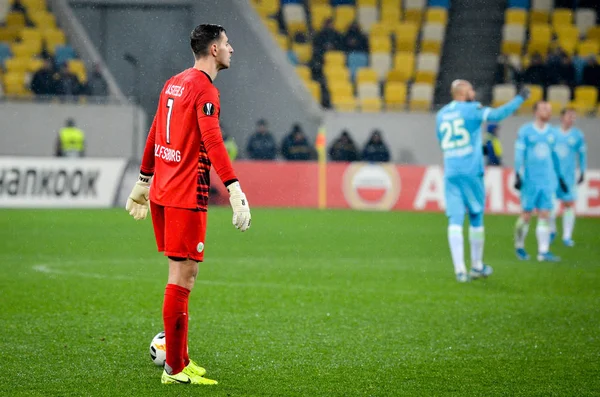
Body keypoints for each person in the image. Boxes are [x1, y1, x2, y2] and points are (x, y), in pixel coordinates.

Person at [125, 24, 251, 386]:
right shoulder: (205, 89)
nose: (231, 49)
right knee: (183, 276)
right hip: (185, 194)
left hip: (165, 192)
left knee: (181, 274)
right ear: (213, 49)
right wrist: (235, 190)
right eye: (227, 43)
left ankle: (178, 358)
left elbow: (154, 131)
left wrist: (144, 180)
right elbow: (213, 140)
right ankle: (175, 370)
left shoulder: (174, 81)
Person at [435, 79, 528, 283]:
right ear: (461, 93)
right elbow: (497, 115)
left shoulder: (441, 115)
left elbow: (441, 141)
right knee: (476, 216)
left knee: (455, 220)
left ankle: (460, 270)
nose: (474, 92)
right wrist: (519, 99)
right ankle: (476, 266)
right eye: (470, 89)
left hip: (451, 171)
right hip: (471, 172)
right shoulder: (471, 110)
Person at [513, 101, 568, 262]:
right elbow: (519, 155)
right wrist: (517, 174)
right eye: (544, 109)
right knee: (526, 215)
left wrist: (560, 177)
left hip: (547, 180)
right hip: (530, 180)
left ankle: (543, 252)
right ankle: (519, 246)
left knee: (544, 214)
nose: (548, 112)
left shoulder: (553, 133)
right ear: (536, 111)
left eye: (550, 110)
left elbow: (555, 157)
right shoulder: (525, 131)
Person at [549, 108, 587, 247]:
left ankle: (567, 236)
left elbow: (582, 155)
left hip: (568, 176)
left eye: (574, 117)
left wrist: (583, 171)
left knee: (569, 205)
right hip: (552, 175)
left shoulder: (578, 135)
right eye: (569, 116)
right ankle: (552, 231)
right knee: (550, 205)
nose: (572, 119)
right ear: (562, 117)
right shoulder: (552, 133)